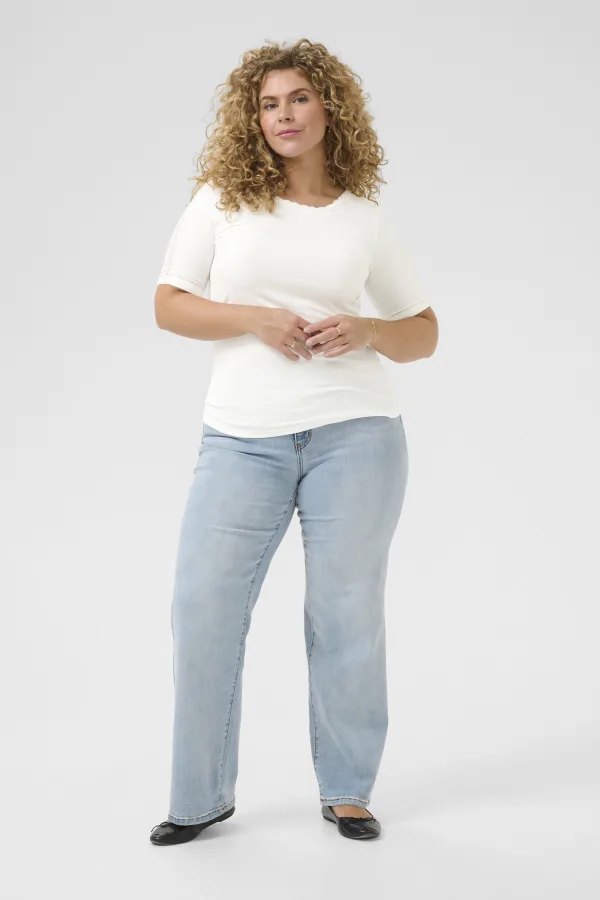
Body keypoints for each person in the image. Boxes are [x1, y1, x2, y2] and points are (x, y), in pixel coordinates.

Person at [149, 37, 438, 846]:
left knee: (345, 614)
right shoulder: (222, 201)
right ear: (254, 118)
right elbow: (169, 305)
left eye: (299, 98)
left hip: (358, 435)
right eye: (269, 103)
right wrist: (254, 318)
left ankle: (348, 790)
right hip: (242, 439)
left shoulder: (364, 218)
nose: (284, 114)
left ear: (329, 108)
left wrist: (366, 329)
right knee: (202, 608)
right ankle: (199, 796)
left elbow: (422, 332)